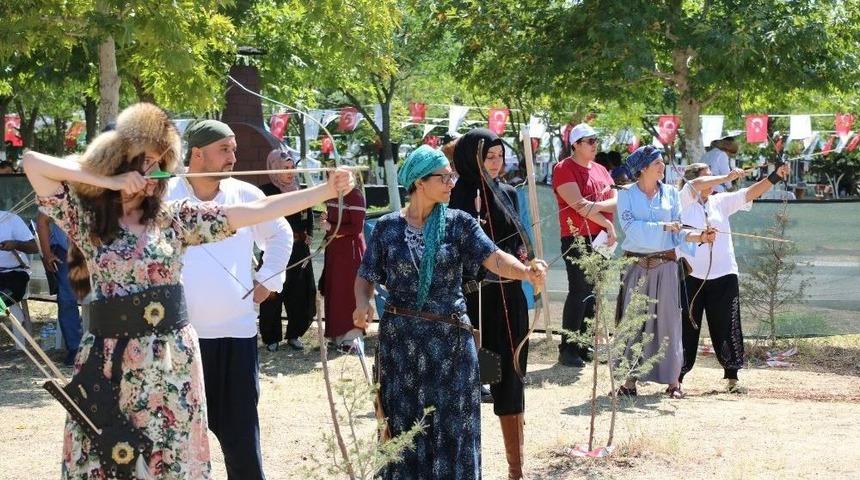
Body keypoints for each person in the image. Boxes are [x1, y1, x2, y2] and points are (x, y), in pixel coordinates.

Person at [22, 102, 354, 479]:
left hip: (171, 359)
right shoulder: (88, 217)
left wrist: (325, 190)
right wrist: (109, 182)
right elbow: (33, 163)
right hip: (110, 356)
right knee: (110, 455)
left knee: (172, 460)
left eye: (155, 164)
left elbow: (255, 210)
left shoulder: (173, 216)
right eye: (139, 162)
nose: (149, 172)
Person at [352, 145, 547, 479]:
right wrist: (362, 302)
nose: (451, 183)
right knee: (402, 426)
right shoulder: (387, 228)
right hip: (401, 346)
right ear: (419, 182)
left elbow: (494, 257)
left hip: (451, 344)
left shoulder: (460, 224)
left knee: (453, 425)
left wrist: (526, 271)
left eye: (452, 175)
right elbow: (366, 275)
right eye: (443, 177)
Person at [166, 121, 293, 480]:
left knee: (241, 440)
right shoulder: (164, 195)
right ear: (197, 154)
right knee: (178, 442)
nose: (233, 158)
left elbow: (280, 233)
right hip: (178, 340)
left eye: (235, 150)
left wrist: (269, 280)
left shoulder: (246, 194)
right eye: (225, 150)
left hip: (236, 337)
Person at [449, 128, 532, 479]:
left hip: (509, 296)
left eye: (500, 156)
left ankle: (516, 469)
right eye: (489, 157)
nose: (496, 164)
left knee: (510, 377)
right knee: (475, 376)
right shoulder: (455, 195)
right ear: (472, 158)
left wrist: (525, 259)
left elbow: (518, 240)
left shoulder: (508, 193)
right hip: (474, 299)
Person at [678, 161, 791, 392]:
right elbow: (697, 184)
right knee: (686, 327)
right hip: (691, 275)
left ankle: (732, 376)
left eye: (713, 176)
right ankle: (676, 378)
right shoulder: (683, 199)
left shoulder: (720, 201)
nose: (713, 180)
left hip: (724, 274)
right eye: (709, 175)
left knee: (727, 324)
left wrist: (774, 177)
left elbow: (750, 192)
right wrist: (726, 176)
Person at [615, 146, 715, 399]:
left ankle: (673, 381)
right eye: (657, 163)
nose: (662, 168)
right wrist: (663, 226)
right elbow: (631, 229)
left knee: (669, 323)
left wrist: (699, 236)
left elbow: (678, 232)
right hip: (636, 266)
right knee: (634, 322)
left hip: (667, 266)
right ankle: (629, 381)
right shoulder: (625, 194)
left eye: (662, 163)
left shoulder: (670, 193)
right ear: (644, 168)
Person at [551, 123, 616, 367]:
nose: (595, 145)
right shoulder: (564, 168)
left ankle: (584, 344)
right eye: (589, 140)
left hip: (602, 239)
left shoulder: (600, 169)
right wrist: (606, 222)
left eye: (596, 140)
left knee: (595, 293)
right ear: (575, 145)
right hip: (578, 237)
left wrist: (595, 208)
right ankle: (568, 347)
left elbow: (614, 199)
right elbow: (577, 204)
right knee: (579, 290)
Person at [258, 149, 316, 352]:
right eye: (285, 168)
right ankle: (271, 336)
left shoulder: (299, 189)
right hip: (275, 250)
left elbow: (308, 216)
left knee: (301, 294)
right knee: (273, 293)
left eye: (292, 168)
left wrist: (308, 232)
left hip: (300, 251)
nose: (290, 172)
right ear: (274, 169)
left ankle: (294, 334)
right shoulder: (265, 191)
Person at [319, 183, 366, 350]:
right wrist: (326, 220)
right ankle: (336, 335)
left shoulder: (355, 195)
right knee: (334, 291)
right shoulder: (331, 194)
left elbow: (357, 227)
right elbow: (332, 220)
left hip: (350, 252)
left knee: (349, 293)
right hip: (334, 250)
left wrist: (331, 227)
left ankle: (352, 336)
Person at [36, 211, 83, 366]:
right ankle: (75, 348)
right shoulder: (56, 191)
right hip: (65, 251)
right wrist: (47, 254)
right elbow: (42, 220)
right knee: (67, 297)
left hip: (99, 249)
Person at [0, 209, 38, 305]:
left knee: (4, 296)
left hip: (12, 275)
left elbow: (35, 247)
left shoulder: (10, 218)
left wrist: (16, 244)